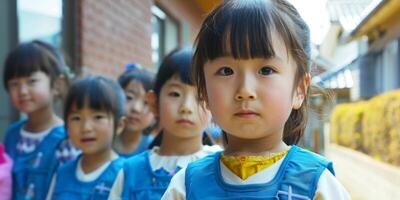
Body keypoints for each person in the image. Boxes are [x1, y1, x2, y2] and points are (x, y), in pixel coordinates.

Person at [162, 0, 350, 199]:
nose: (245, 90)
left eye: (266, 70)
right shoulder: (186, 186)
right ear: (204, 92)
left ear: (299, 90)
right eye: (226, 71)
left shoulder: (317, 184)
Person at [108, 48, 221, 200]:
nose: (186, 107)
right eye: (175, 94)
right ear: (153, 102)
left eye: (200, 97)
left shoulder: (223, 167)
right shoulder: (131, 172)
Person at [2, 40, 78, 200]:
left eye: (32, 81)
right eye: (14, 84)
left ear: (57, 84)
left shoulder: (67, 139)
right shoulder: (12, 134)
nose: (22, 91)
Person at [48, 76, 126, 199]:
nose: (86, 127)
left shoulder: (127, 174)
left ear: (120, 125)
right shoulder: (61, 174)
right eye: (76, 118)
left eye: (98, 117)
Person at [114, 69, 156, 157]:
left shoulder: (154, 150)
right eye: (129, 97)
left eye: (146, 102)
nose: (136, 108)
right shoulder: (101, 142)